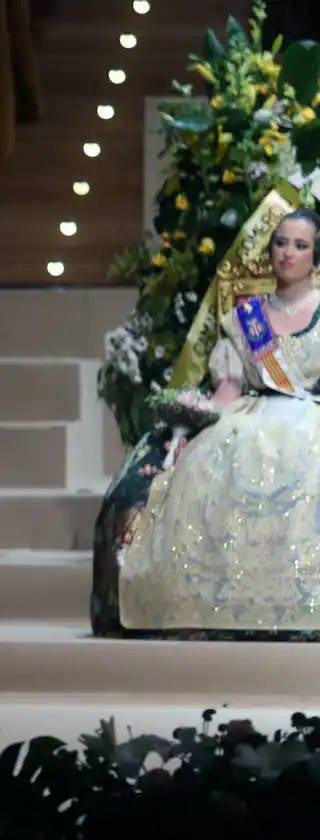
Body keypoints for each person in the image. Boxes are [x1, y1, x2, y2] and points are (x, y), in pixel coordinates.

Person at [92, 208, 320, 641]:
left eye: (300, 245)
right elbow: (227, 390)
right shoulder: (245, 320)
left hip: (311, 417)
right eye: (281, 243)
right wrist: (189, 425)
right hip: (249, 414)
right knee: (208, 462)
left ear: (315, 255)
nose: (288, 253)